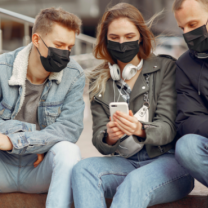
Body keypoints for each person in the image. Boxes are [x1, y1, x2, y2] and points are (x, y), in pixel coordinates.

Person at [71, 3, 194, 208]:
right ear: (105, 40)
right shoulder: (98, 79)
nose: (122, 43)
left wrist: (139, 129)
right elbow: (98, 140)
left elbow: (168, 128)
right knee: (82, 169)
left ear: (140, 37)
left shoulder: (165, 68)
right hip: (126, 162)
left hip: (168, 162)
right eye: (115, 38)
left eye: (129, 37)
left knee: (135, 182)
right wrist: (110, 136)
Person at [0, 7, 85, 208]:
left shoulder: (74, 75)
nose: (65, 53)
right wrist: (43, 138)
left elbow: (69, 129)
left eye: (69, 47)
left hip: (39, 169)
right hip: (3, 165)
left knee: (68, 150)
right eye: (58, 45)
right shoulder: (2, 68)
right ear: (36, 40)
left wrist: (17, 141)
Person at [173, 0, 208, 188]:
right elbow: (189, 119)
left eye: (193, 25)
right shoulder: (185, 65)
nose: (187, 33)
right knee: (187, 147)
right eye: (182, 27)